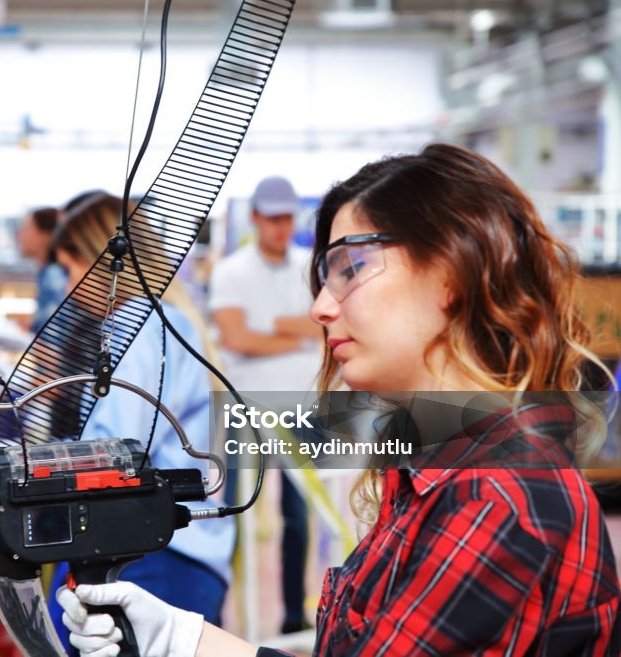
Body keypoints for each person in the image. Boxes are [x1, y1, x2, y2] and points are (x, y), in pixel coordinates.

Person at [57, 144, 620, 656]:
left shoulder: (498, 496)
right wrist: (185, 640)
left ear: (452, 271)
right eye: (325, 276)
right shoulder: (437, 468)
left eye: (351, 269)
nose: (321, 308)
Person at [45, 193, 236, 651]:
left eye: (72, 269)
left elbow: (115, 451)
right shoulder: (169, 320)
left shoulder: (141, 326)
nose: (70, 287)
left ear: (98, 263)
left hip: (158, 558)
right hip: (178, 554)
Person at [209, 175, 321, 634]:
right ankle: (223, 613)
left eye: (286, 216)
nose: (280, 225)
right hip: (246, 408)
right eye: (272, 216)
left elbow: (324, 327)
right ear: (255, 217)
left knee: (300, 516)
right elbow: (237, 338)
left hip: (304, 405)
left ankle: (294, 613)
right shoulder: (231, 271)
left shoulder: (311, 264)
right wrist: (297, 332)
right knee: (234, 511)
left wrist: (270, 329)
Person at [17, 206, 68, 333]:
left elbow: (52, 337)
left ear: (45, 234)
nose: (19, 234)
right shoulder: (47, 273)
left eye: (26, 228)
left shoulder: (53, 276)